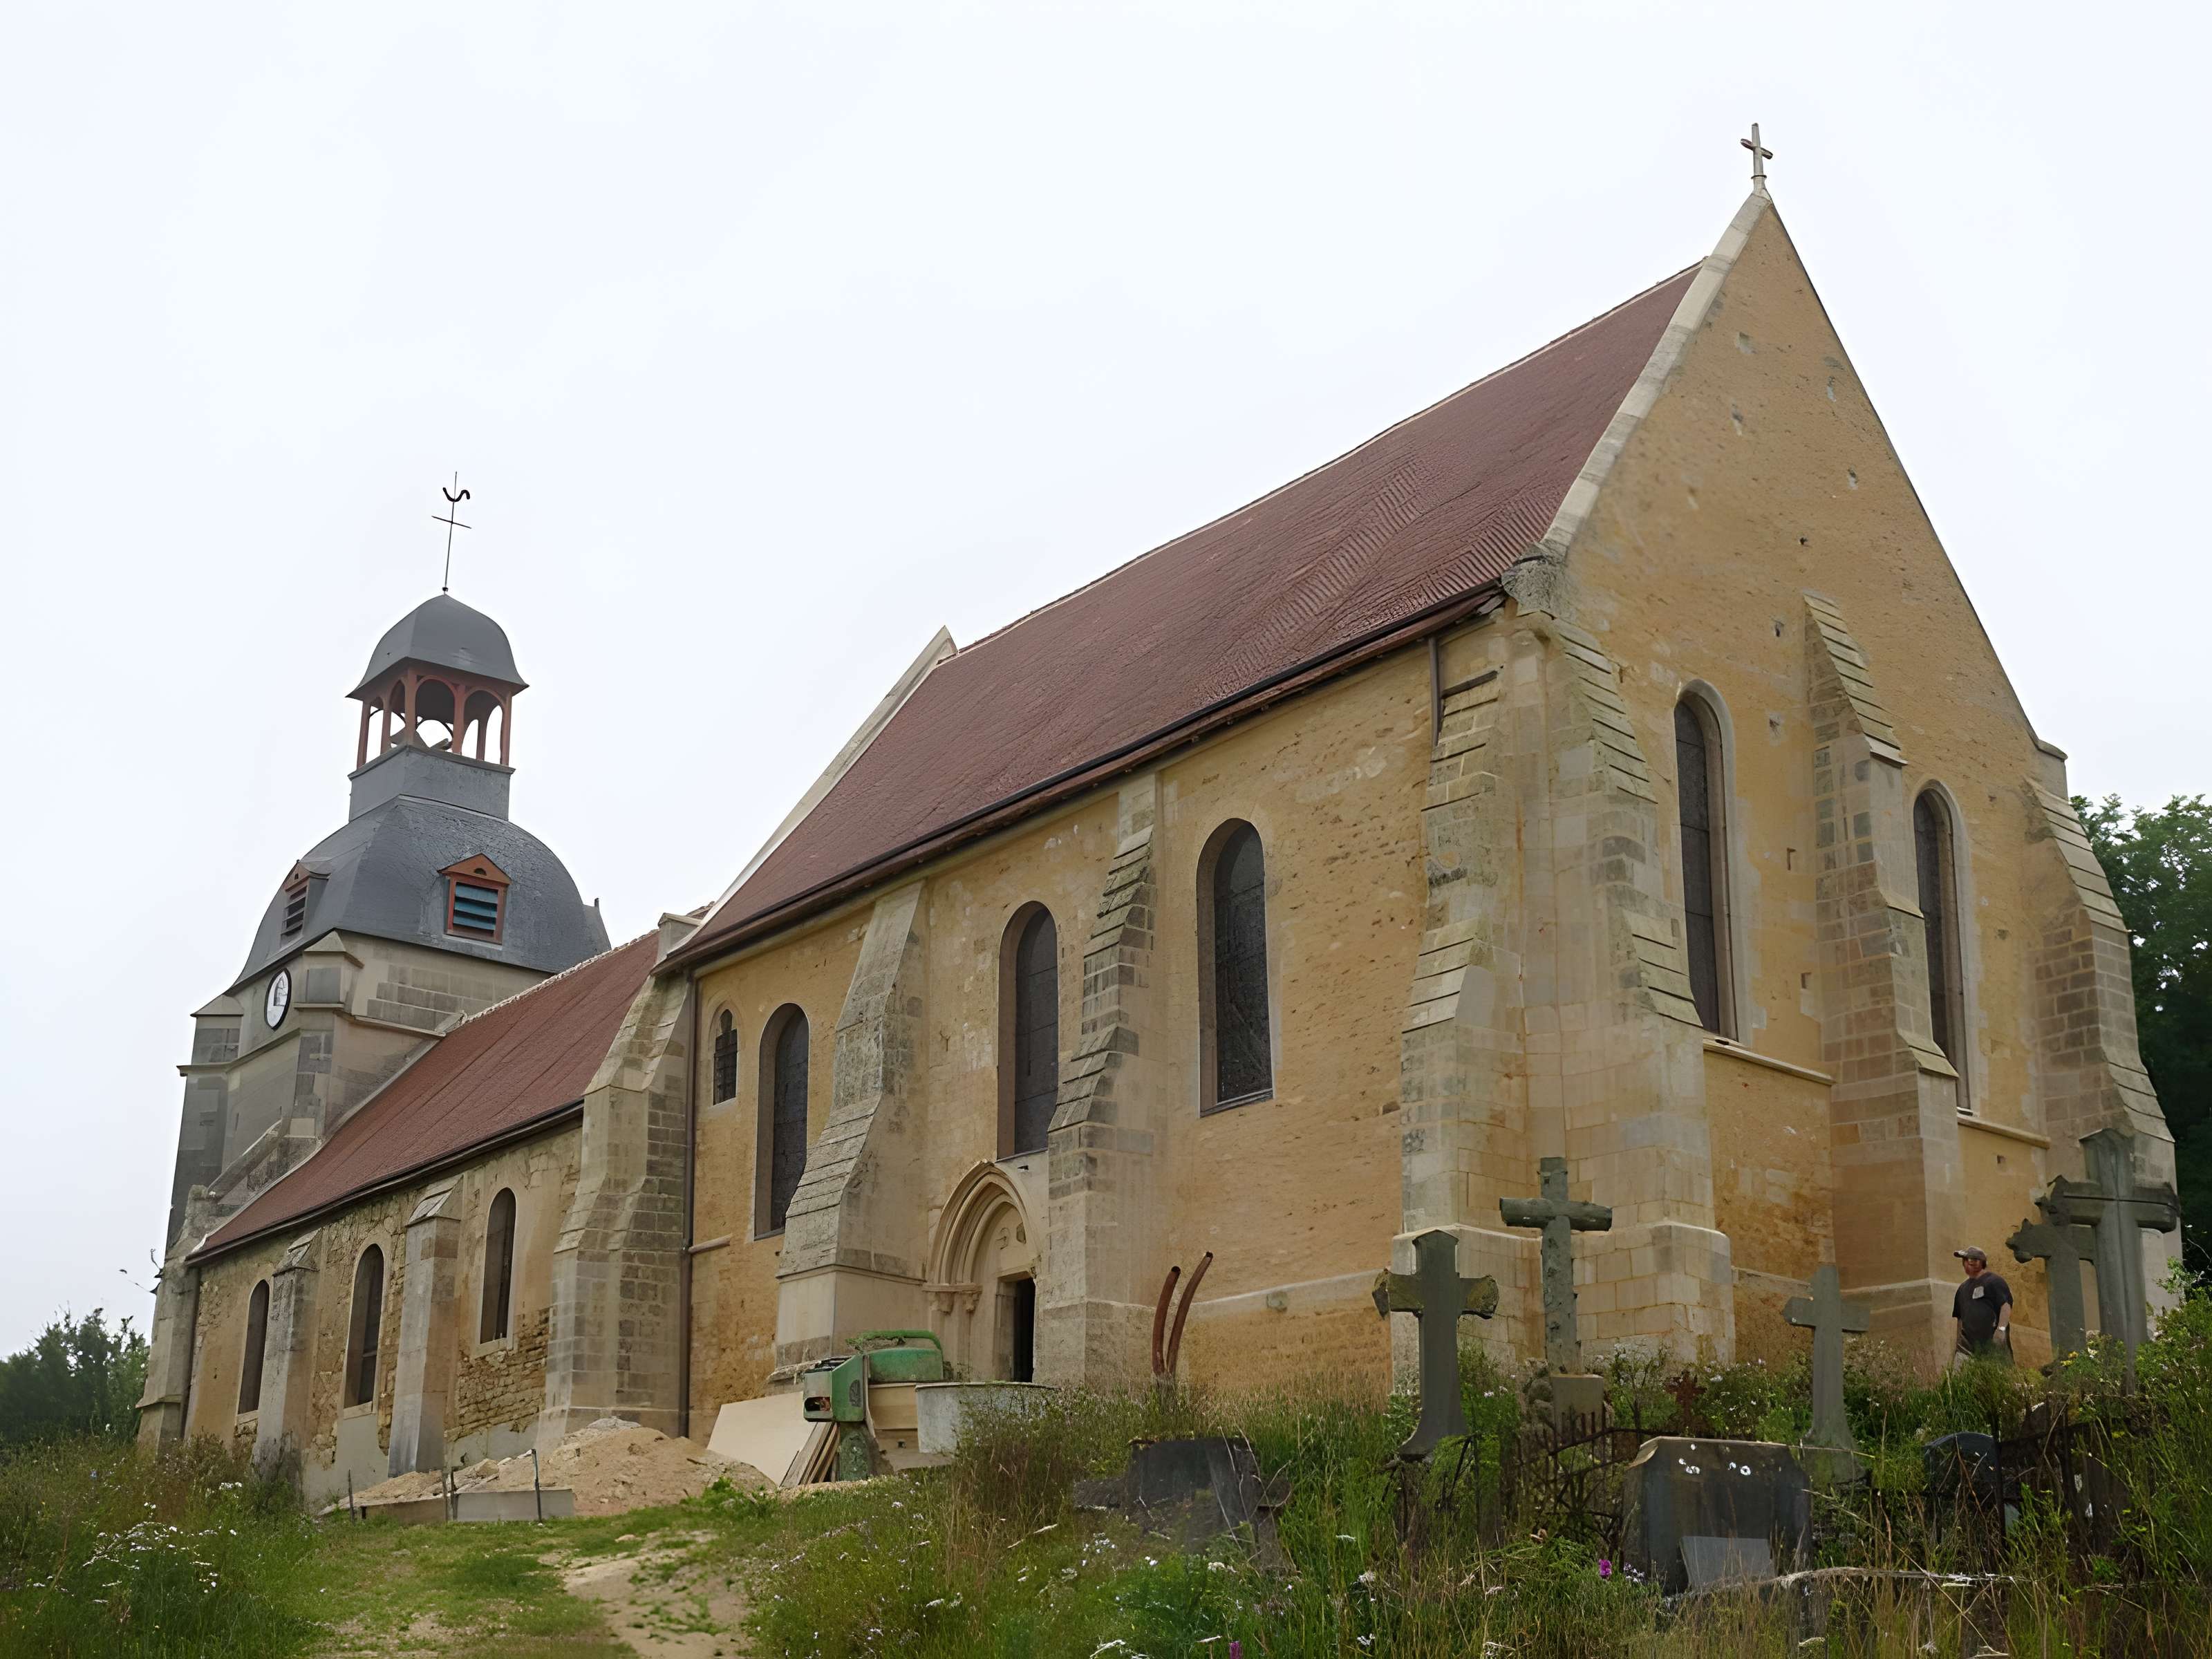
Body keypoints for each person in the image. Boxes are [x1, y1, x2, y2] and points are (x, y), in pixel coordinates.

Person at [1951, 1246, 2013, 1367]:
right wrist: (1958, 1343)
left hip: (1992, 1344)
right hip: (1967, 1348)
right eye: (1965, 1261)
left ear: (1978, 1263)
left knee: (1997, 1375)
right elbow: (1960, 1318)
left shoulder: (1994, 1281)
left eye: (1969, 1260)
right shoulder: (1962, 1289)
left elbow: (2005, 1305)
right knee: (1961, 1376)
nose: (1965, 1264)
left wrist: (2001, 1330)